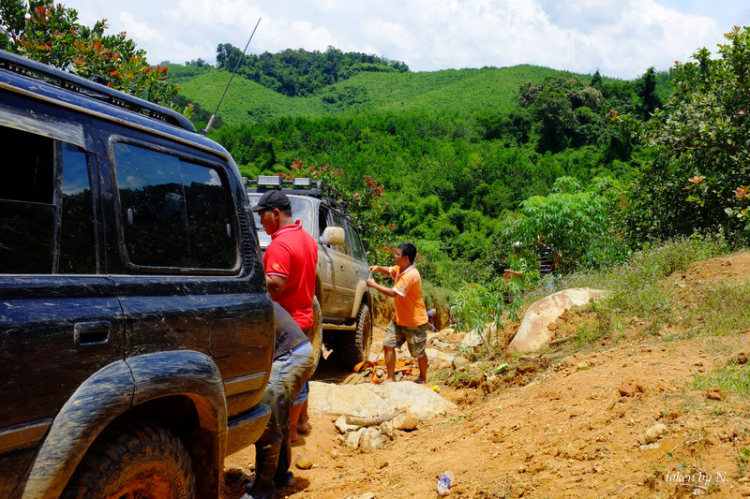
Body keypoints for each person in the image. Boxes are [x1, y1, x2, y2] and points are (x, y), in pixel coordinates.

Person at [252, 190, 319, 470]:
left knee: (282, 381)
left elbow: (276, 284)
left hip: (284, 322)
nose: (261, 221)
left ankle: (289, 430)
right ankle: (301, 422)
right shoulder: (307, 239)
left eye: (262, 215)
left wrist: (251, 279)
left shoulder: (280, 243)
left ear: (276, 214)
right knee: (300, 377)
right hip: (304, 316)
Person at [242, 303, 316, 499]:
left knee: (268, 423)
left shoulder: (243, 299)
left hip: (290, 356)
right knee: (278, 420)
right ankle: (280, 476)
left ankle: (261, 491)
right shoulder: (250, 295)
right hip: (296, 352)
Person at [366, 242, 429, 384]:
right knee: (388, 344)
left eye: (397, 254)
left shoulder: (410, 275)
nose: (395, 256)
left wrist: (374, 285)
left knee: (418, 352)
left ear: (406, 258)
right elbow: (389, 270)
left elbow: (394, 293)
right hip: (399, 318)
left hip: (414, 321)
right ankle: (390, 377)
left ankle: (423, 377)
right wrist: (377, 268)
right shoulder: (401, 268)